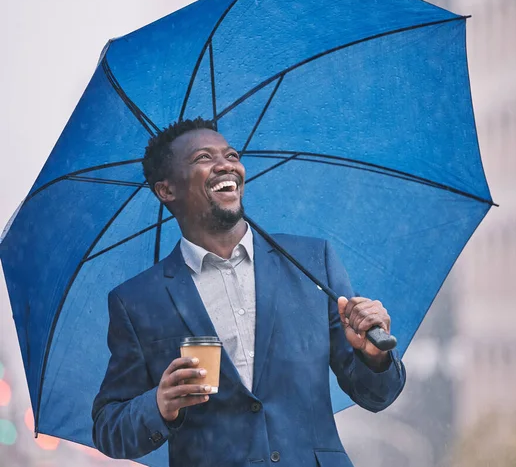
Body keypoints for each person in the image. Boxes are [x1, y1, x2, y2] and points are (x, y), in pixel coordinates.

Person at [92, 117, 406, 467]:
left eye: (231, 155)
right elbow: (109, 428)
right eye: (203, 159)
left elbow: (378, 395)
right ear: (166, 190)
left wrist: (373, 357)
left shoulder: (313, 263)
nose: (226, 165)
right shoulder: (136, 301)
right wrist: (159, 404)